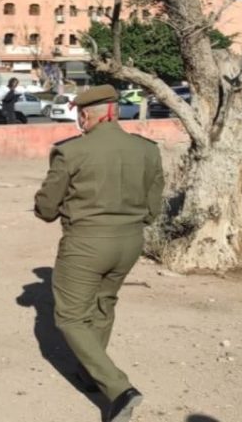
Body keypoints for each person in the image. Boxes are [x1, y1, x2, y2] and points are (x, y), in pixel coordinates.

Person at [33, 85, 164, 422]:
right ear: (114, 112)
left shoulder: (71, 152)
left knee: (70, 317)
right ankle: (90, 374)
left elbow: (46, 209)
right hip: (130, 241)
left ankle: (119, 389)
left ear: (85, 116)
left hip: (86, 244)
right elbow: (153, 208)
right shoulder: (147, 149)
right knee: (104, 305)